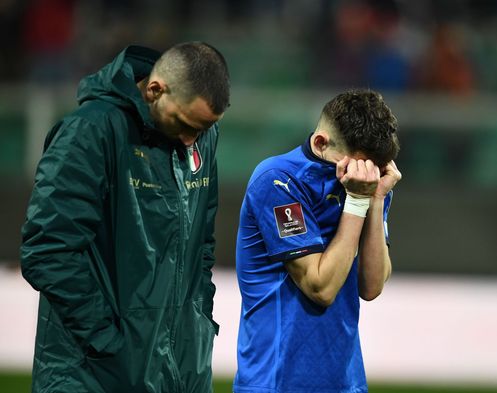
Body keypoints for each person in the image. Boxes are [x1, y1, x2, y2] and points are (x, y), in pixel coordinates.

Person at [20, 42, 230, 393]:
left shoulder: (201, 135)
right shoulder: (90, 132)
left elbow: (200, 242)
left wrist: (198, 321)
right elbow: (48, 249)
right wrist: (107, 341)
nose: (192, 139)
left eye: (204, 129)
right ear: (154, 90)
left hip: (181, 368)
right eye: (186, 124)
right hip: (94, 374)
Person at [234, 89, 402, 393]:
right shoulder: (279, 181)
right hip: (277, 381)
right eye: (357, 165)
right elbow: (319, 287)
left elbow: (372, 285)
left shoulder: (366, 183)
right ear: (321, 142)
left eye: (374, 169)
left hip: (345, 381)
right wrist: (356, 201)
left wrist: (376, 198)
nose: (364, 175)